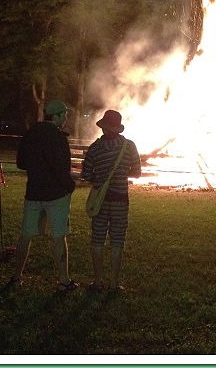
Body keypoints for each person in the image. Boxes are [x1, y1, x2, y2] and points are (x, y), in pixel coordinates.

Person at [10, 99, 78, 292]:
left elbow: (21, 163)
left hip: (33, 192)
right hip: (56, 195)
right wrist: (70, 185)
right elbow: (62, 169)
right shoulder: (58, 138)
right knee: (58, 236)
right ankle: (64, 280)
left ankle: (16, 277)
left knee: (26, 235)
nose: (66, 118)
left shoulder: (31, 133)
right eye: (64, 114)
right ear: (55, 116)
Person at [80, 109, 141, 294]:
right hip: (121, 200)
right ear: (118, 128)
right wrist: (122, 174)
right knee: (117, 241)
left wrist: (100, 178)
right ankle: (114, 283)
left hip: (99, 200)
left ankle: (98, 281)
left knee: (97, 240)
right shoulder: (129, 146)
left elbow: (86, 174)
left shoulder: (94, 148)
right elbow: (137, 172)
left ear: (103, 127)